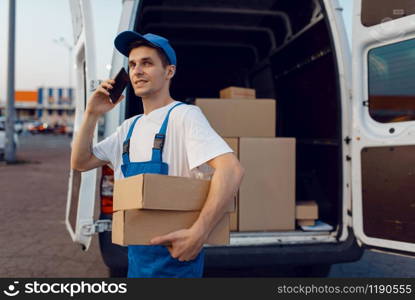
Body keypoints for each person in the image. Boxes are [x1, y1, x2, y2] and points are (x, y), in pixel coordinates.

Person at [70, 31, 244, 278]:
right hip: (138, 265)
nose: (137, 71)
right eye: (132, 65)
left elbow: (231, 169)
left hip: (176, 263)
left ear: (169, 71)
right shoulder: (128, 129)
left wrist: (199, 233)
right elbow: (80, 162)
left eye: (147, 63)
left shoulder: (184, 116)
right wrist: (92, 114)